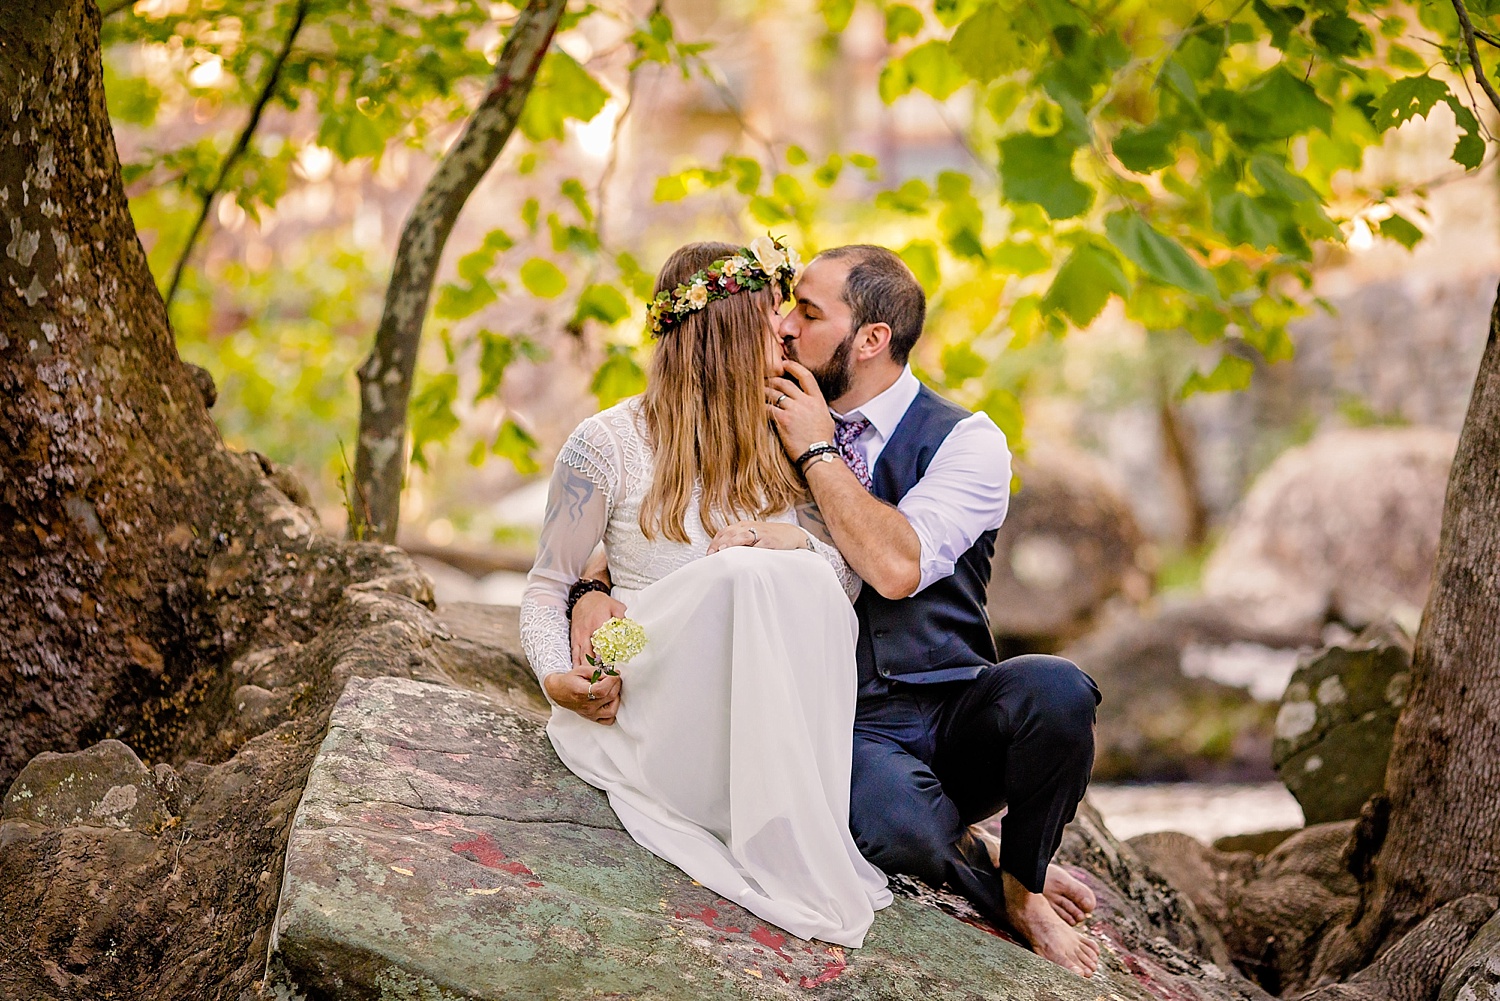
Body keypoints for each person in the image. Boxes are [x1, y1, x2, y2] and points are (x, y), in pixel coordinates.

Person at [519, 239, 891, 949]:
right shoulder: (603, 445)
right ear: (724, 335)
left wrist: (794, 541)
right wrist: (555, 675)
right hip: (659, 712)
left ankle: (778, 812)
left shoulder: (790, 436)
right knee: (737, 573)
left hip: (768, 719)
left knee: (771, 567)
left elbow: (836, 586)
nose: (785, 332)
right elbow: (548, 583)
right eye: (769, 318)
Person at [760, 244, 1103, 976]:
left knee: (1059, 690)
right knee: (895, 826)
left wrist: (819, 450)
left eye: (809, 312)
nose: (785, 326)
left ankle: (1025, 875)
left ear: (872, 339)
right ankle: (994, 870)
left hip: (957, 712)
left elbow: (895, 566)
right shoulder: (766, 416)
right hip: (846, 722)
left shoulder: (969, 442)